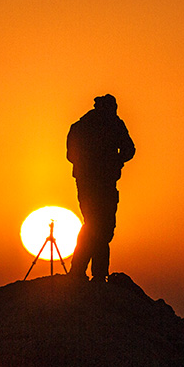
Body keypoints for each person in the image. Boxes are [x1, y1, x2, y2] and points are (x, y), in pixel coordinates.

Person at [66, 94, 135, 282]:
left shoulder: (87, 125)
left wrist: (115, 161)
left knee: (98, 227)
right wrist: (105, 162)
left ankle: (84, 272)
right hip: (96, 183)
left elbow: (129, 149)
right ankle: (88, 272)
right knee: (99, 227)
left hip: (96, 182)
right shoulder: (99, 125)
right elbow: (71, 154)